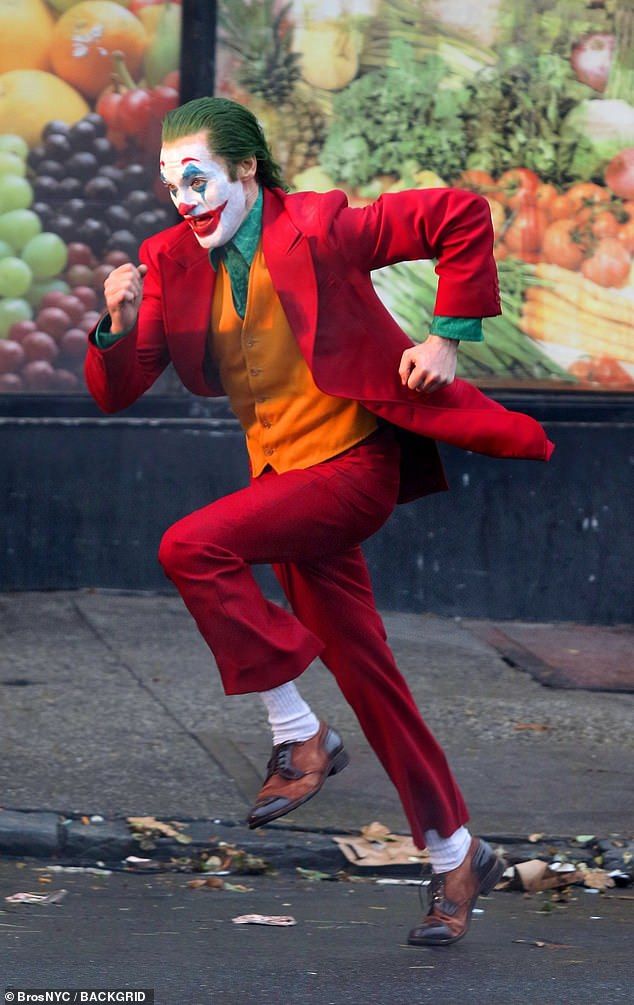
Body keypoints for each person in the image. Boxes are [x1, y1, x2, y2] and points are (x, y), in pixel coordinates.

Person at [85, 96, 554, 946]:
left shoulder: (323, 228)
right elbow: (120, 390)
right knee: (371, 675)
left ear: (245, 170)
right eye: (170, 183)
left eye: (197, 178)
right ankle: (458, 853)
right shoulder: (171, 259)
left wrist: (447, 337)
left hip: (352, 467)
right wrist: (114, 325)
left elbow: (459, 215)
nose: (183, 199)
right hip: (284, 481)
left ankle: (299, 735)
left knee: (190, 545)